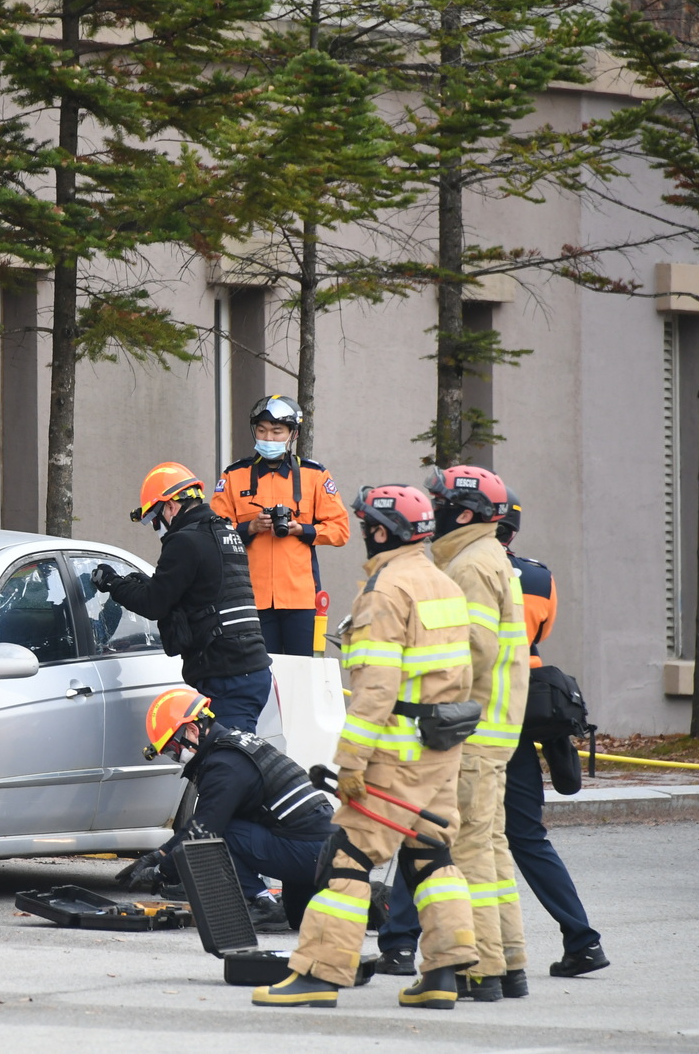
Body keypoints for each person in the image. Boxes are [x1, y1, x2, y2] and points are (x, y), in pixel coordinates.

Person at [253, 484, 478, 1010]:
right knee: (432, 856)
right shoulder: (443, 584)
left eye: (367, 526)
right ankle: (444, 974)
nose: (364, 535)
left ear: (382, 532)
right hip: (440, 751)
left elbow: (376, 688)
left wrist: (351, 762)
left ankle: (319, 974)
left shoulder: (386, 591)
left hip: (395, 756)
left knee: (347, 859)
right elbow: (462, 676)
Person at [422, 464, 530, 1001]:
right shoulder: (490, 557)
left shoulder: (469, 566)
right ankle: (509, 963)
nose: (430, 513)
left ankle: (479, 968)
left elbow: (471, 652)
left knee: (465, 847)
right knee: (491, 845)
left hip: (473, 729)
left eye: (439, 504)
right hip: (494, 727)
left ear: (464, 514)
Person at [498, 491, 610, 978]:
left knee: (435, 831)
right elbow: (539, 635)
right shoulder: (539, 576)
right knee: (527, 836)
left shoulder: (455, 573)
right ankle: (583, 940)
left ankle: (399, 941)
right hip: (521, 714)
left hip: (470, 716)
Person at [117, 688, 334, 932]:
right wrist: (158, 855)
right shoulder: (233, 748)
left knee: (222, 834)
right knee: (298, 917)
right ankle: (361, 901)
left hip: (308, 851)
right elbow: (199, 823)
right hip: (318, 849)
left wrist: (162, 872)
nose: (174, 757)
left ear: (192, 730)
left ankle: (263, 902)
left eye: (171, 749)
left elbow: (203, 832)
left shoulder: (224, 766)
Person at [91, 463, 272, 730]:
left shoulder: (185, 541)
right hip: (247, 668)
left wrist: (113, 583)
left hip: (227, 675)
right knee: (229, 749)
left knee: (229, 753)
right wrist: (148, 583)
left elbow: (153, 604)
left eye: (155, 520)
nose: (157, 528)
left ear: (170, 507)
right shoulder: (225, 533)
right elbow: (202, 590)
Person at [210, 395, 349, 656]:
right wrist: (249, 528)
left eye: (277, 431)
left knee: (304, 670)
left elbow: (340, 530)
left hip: (301, 598)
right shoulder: (234, 475)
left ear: (292, 434)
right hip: (251, 597)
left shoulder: (314, 475)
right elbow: (213, 533)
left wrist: (304, 530)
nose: (268, 438)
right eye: (262, 430)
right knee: (260, 671)